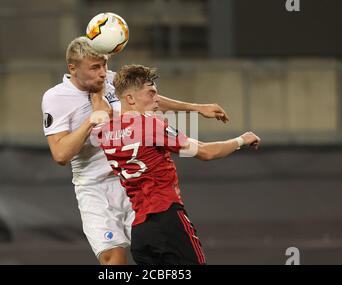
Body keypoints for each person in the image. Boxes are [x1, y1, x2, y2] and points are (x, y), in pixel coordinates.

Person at [41, 36, 230, 265]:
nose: (103, 73)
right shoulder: (56, 98)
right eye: (94, 67)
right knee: (114, 259)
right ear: (73, 68)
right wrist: (92, 120)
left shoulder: (111, 81)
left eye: (104, 65)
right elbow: (60, 154)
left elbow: (148, 97)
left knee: (157, 253)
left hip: (131, 183)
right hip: (94, 188)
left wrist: (196, 108)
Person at [93, 64, 261, 265]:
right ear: (130, 98)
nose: (157, 99)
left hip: (140, 231)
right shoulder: (150, 125)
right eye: (151, 93)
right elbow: (206, 152)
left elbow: (98, 103)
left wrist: (99, 81)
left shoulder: (103, 132)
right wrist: (242, 140)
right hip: (168, 220)